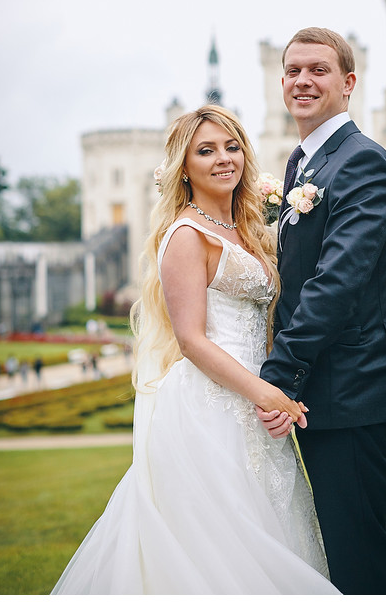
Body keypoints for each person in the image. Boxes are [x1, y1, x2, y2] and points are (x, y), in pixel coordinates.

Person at [52, 105, 340, 595]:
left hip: (256, 407)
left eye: (231, 147)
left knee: (270, 541)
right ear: (183, 167)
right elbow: (191, 340)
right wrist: (267, 395)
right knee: (220, 557)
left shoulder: (246, 231)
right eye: (205, 150)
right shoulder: (186, 235)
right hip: (211, 412)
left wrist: (275, 392)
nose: (223, 159)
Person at [257, 27, 386, 595]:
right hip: (324, 392)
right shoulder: (305, 165)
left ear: (348, 84)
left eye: (318, 70)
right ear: (281, 82)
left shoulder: (362, 163)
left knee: (358, 557)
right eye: (293, 70)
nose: (303, 80)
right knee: (334, 552)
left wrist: (274, 375)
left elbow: (336, 284)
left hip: (352, 391)